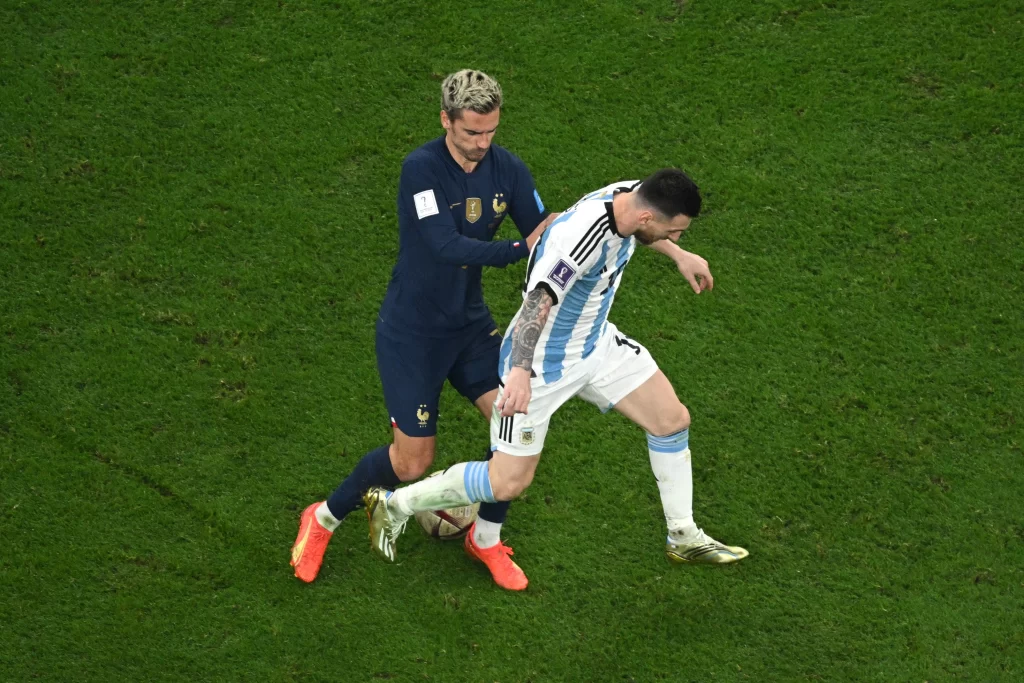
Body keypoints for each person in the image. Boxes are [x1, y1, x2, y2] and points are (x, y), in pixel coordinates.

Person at [363, 168, 749, 590]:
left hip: (594, 345)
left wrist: (680, 256)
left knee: (671, 420)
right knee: (507, 481)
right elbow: (535, 306)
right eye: (674, 233)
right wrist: (521, 375)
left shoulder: (632, 194)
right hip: (541, 367)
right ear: (646, 221)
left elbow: (653, 224)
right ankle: (394, 503)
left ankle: (682, 535)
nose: (676, 238)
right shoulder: (576, 242)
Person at [290, 69, 559, 583]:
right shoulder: (421, 170)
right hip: (412, 335)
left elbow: (547, 233)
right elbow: (443, 245)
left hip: (471, 328)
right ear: (445, 120)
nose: (482, 143)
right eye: (471, 133)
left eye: (490, 132)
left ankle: (485, 539)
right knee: (411, 464)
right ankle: (322, 518)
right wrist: (516, 251)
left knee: (517, 427)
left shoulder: (508, 170)